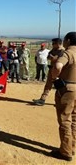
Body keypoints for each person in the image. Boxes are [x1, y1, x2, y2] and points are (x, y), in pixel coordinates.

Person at [50, 32, 76, 162]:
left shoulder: (68, 53)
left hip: (67, 90)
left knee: (65, 120)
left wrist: (54, 77)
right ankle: (72, 147)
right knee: (75, 119)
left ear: (69, 40)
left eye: (65, 40)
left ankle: (65, 152)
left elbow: (58, 65)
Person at [33, 38, 64, 106]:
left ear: (58, 44)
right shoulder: (54, 50)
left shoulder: (62, 51)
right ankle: (42, 99)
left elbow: (54, 58)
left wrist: (52, 57)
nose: (52, 45)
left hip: (59, 71)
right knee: (48, 85)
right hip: (52, 69)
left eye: (53, 43)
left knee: (60, 86)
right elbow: (49, 56)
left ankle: (62, 101)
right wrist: (52, 57)